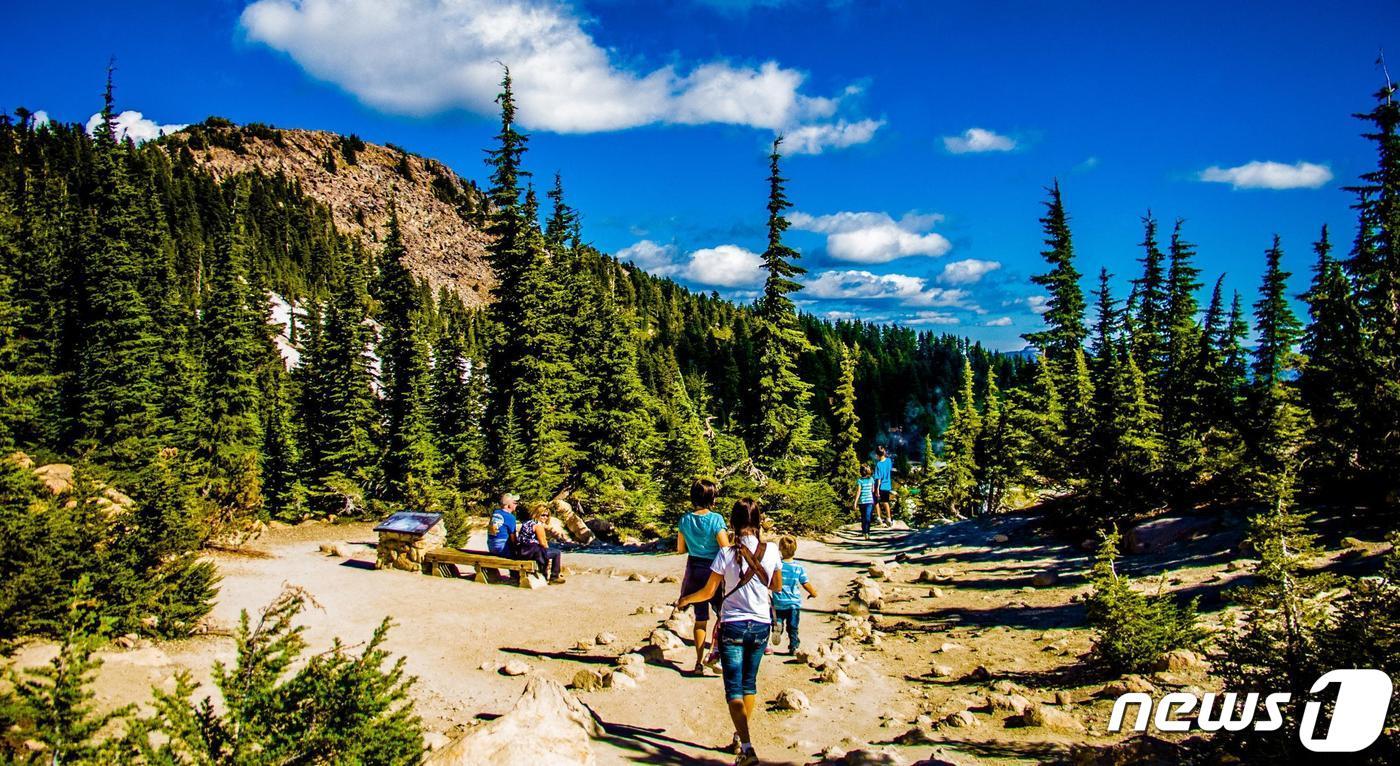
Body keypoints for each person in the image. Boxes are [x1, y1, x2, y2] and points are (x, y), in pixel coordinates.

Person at [676, 498, 782, 766]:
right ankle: (740, 737)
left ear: (732, 523)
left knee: (733, 687)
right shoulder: (771, 551)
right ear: (758, 522)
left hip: (732, 623)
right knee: (749, 683)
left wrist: (686, 599)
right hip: (760, 625)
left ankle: (746, 746)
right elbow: (777, 587)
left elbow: (709, 592)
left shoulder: (725, 554)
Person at [676, 478, 730, 675]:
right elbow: (725, 548)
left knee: (700, 620)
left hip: (694, 570)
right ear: (712, 497)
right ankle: (718, 655)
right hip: (714, 571)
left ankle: (698, 662)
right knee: (723, 615)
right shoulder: (716, 519)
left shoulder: (684, 520)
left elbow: (680, 549)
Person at [769, 535, 817, 656]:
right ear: (795, 548)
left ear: (780, 548)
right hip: (793, 603)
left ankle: (777, 626)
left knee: (778, 618)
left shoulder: (777, 565)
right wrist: (813, 593)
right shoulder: (798, 567)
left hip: (779, 601)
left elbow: (771, 580)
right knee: (793, 627)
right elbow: (805, 582)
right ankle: (794, 646)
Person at [517, 502, 565, 584]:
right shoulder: (538, 526)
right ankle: (554, 576)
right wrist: (547, 558)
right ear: (537, 514)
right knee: (556, 553)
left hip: (522, 550)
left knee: (543, 551)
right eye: (543, 515)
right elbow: (543, 543)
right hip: (531, 552)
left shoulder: (526, 523)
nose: (545, 517)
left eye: (547, 515)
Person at [873, 446, 895, 526]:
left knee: (875, 501)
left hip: (880, 486)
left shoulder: (878, 464)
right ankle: (889, 518)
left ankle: (878, 517)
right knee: (886, 502)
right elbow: (889, 470)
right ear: (884, 452)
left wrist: (877, 489)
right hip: (887, 486)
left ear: (877, 455)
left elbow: (878, 478)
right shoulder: (889, 461)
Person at [854, 465, 876, 539]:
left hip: (869, 501)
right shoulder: (860, 480)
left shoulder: (870, 479)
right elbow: (859, 491)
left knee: (867, 517)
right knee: (864, 517)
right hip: (862, 502)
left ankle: (867, 533)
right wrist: (855, 502)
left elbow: (872, 490)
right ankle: (864, 531)